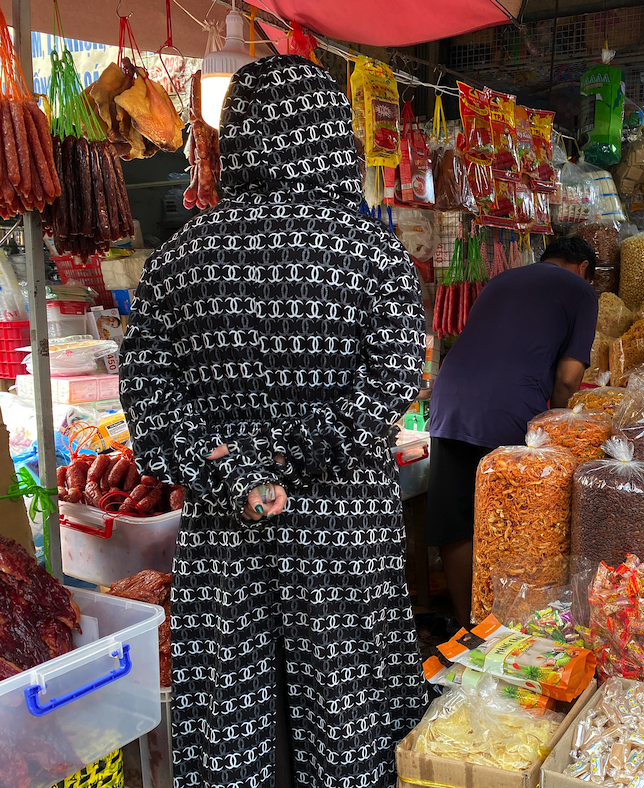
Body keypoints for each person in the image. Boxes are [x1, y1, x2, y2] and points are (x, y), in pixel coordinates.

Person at [119, 56, 428, 788]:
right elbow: (388, 387)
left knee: (233, 723)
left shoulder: (179, 258)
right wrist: (297, 452)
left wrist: (234, 465)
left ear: (241, 140)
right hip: (343, 539)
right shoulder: (373, 252)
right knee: (348, 719)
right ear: (333, 138)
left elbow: (147, 403)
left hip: (228, 536)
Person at [425, 236, 599, 627]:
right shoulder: (582, 291)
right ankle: (507, 626)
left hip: (450, 400)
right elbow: (569, 378)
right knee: (517, 522)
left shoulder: (503, 279)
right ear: (584, 266)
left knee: (458, 520)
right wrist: (557, 426)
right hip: (511, 408)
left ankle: (467, 624)